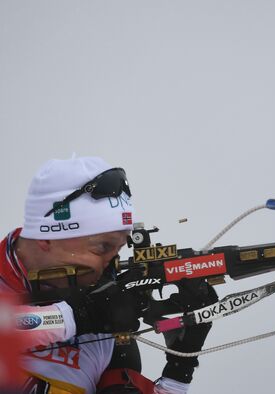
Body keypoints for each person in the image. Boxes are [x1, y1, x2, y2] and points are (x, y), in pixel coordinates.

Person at [0, 156, 216, 393]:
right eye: (102, 248)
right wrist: (76, 316)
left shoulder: (106, 335)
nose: (111, 265)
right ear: (46, 239)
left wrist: (179, 368)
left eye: (118, 250)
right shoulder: (91, 312)